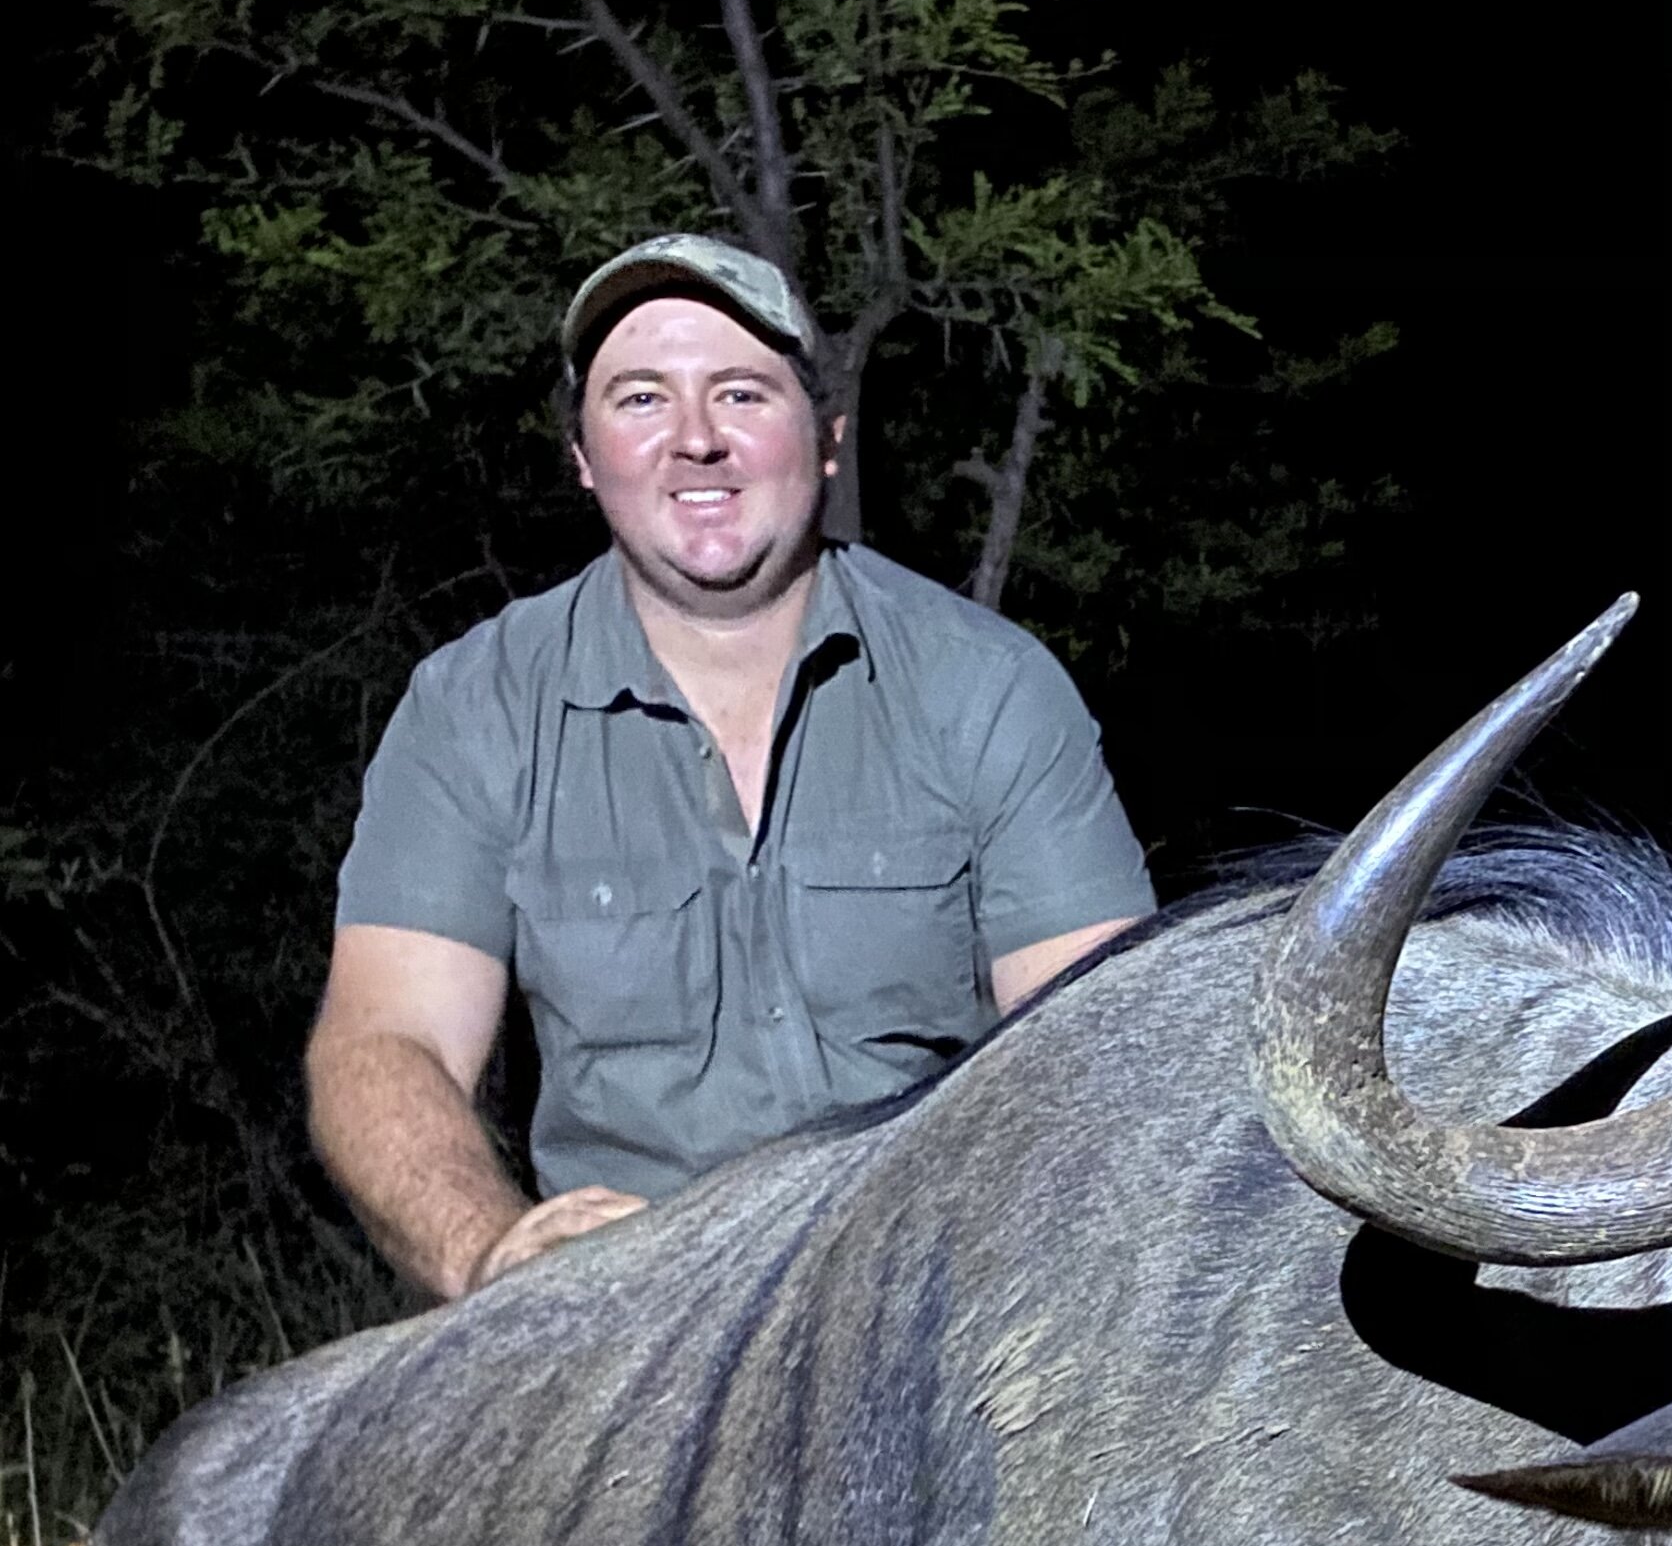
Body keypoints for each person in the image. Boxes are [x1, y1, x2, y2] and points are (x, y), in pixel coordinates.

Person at [307, 235, 1155, 1300]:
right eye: (642, 399)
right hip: (625, 1314)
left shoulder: (988, 689)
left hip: (930, 1304)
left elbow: (1101, 1061)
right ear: (582, 455)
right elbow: (384, 1044)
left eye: (744, 395)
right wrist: (491, 1252)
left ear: (828, 439)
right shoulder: (475, 708)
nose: (696, 440)